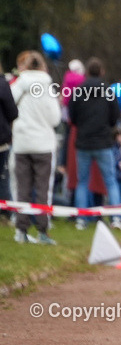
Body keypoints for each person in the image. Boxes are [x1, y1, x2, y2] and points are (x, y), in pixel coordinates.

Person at [10, 52, 61, 244]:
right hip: (43, 144)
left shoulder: (17, 86)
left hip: (21, 143)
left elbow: (8, 107)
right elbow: (55, 119)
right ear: (43, 67)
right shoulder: (47, 87)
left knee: (22, 188)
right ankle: (42, 231)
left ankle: (21, 231)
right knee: (42, 189)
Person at [68, 58, 121, 230]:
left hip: (84, 142)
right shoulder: (108, 92)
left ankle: (81, 220)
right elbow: (115, 117)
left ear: (86, 72)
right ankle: (116, 218)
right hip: (103, 142)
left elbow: (72, 117)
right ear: (102, 72)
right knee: (110, 181)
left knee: (82, 182)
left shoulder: (78, 91)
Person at [0, 62, 17, 226]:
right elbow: (13, 112)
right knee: (3, 177)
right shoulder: (3, 84)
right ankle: (4, 214)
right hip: (1, 139)